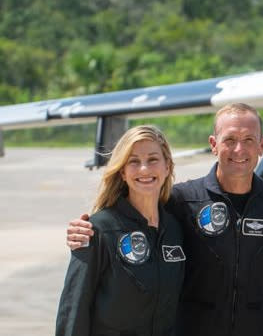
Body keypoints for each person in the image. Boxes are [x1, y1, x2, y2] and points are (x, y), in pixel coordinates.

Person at [65, 103, 263, 336]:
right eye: (230, 140)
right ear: (213, 144)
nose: (239, 149)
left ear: (262, 145)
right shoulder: (182, 202)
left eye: (249, 140)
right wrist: (89, 230)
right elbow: (137, 205)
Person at [56, 125, 184, 336]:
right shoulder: (98, 230)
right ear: (123, 172)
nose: (144, 169)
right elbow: (74, 308)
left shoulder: (175, 229)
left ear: (167, 166)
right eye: (134, 161)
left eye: (153, 159)